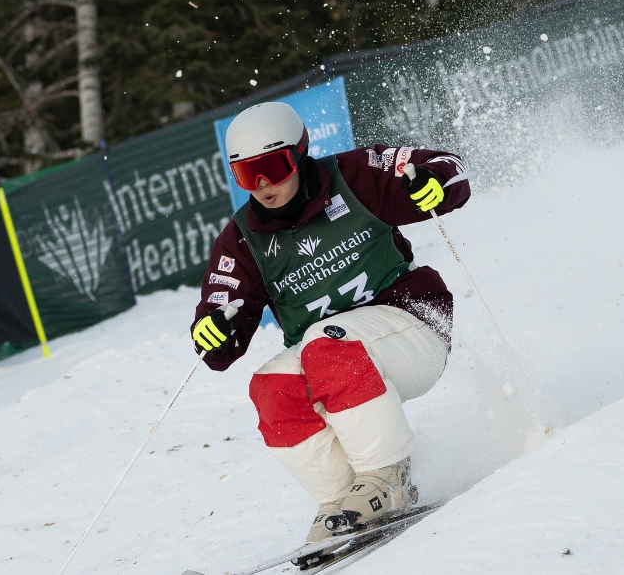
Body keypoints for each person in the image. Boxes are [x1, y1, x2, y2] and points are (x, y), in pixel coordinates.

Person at [187, 102, 472, 541]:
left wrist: (435, 184)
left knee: (324, 342)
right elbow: (222, 321)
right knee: (272, 385)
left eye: (272, 168)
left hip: (414, 328)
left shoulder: (354, 176)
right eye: (246, 174)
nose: (262, 185)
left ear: (299, 153)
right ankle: (342, 499)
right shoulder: (243, 240)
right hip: (335, 365)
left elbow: (447, 167)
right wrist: (213, 330)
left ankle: (387, 476)